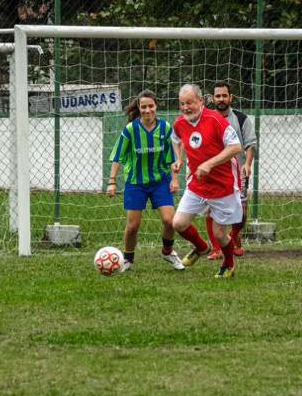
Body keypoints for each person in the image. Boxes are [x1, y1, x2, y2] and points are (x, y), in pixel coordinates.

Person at [107, 89, 185, 271]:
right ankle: (128, 259)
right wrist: (112, 181)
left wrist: (174, 180)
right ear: (139, 108)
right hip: (136, 183)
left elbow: (171, 156)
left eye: (151, 106)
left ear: (156, 106)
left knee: (170, 220)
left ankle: (167, 252)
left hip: (160, 181)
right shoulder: (130, 130)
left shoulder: (165, 128)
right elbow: (118, 156)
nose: (147, 110)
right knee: (133, 226)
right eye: (143, 107)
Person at [171, 83, 243, 279]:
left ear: (201, 101)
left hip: (223, 185)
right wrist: (179, 159)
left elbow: (236, 147)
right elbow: (175, 139)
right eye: (182, 104)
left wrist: (210, 163)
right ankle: (202, 247)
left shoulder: (215, 119)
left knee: (220, 234)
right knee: (178, 223)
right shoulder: (180, 122)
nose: (186, 108)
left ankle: (228, 264)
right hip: (197, 184)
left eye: (190, 103)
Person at [205, 81, 257, 260]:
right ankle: (216, 248)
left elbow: (251, 144)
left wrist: (248, 164)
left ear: (230, 98)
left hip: (237, 172)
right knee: (211, 210)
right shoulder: (205, 120)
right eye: (217, 96)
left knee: (241, 211)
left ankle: (234, 235)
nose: (221, 99)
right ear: (212, 99)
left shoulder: (241, 119)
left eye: (224, 96)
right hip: (213, 173)